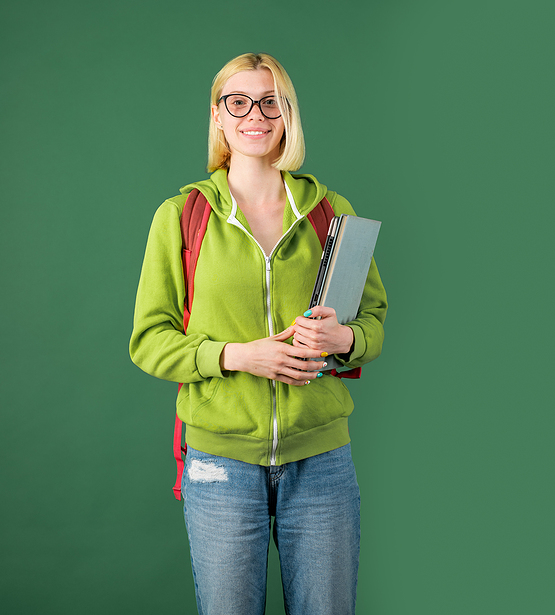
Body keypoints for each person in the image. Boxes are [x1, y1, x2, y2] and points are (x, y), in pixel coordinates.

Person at [129, 52, 387, 615]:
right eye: (237, 101)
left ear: (287, 115)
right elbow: (149, 340)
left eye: (270, 101)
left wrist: (339, 339)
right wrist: (238, 356)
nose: (255, 114)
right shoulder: (182, 215)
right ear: (218, 116)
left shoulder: (331, 212)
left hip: (322, 463)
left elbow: (371, 326)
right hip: (219, 466)